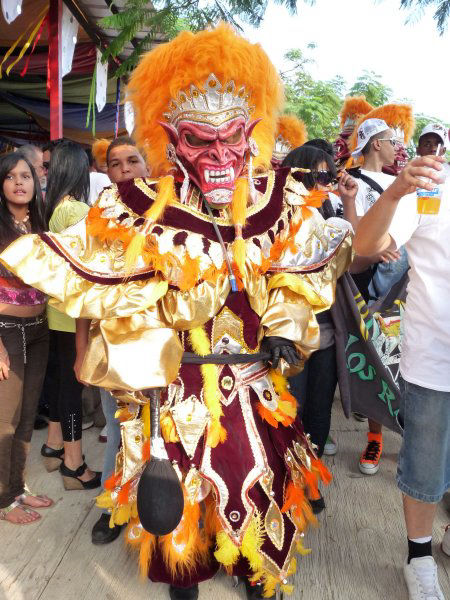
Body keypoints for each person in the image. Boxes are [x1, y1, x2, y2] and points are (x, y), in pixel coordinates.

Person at [1, 25, 352, 600]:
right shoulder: (134, 208)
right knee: (177, 492)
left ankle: (257, 572)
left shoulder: (280, 199)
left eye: (233, 139)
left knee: (255, 481)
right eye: (199, 140)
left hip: (253, 381)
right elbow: (110, 290)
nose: (219, 156)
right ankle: (184, 580)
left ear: (253, 135)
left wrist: (287, 327)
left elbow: (298, 269)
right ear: (170, 138)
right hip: (175, 384)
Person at [354, 154, 449, 600]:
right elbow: (365, 246)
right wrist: (394, 192)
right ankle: (420, 557)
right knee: (426, 463)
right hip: (437, 362)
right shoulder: (433, 187)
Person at [282, 145, 358, 507]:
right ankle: (286, 485)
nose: (321, 183)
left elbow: (353, 257)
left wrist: (348, 203)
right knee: (289, 411)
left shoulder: (328, 211)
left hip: (327, 333)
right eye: (313, 176)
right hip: (291, 337)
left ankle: (309, 481)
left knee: (317, 412)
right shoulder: (274, 216)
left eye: (326, 176)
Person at [87, 137, 148, 545]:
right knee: (117, 426)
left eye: (132, 160)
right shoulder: (97, 218)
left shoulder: (178, 214)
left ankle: (161, 510)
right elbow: (84, 291)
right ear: (106, 172)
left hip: (168, 347)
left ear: (147, 165)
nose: (124, 168)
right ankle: (113, 507)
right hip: (114, 344)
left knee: (167, 430)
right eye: (114, 163)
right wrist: (81, 353)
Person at [347, 116, 411, 476]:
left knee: (408, 367)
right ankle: (375, 438)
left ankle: (414, 442)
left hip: (407, 289)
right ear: (376, 144)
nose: (397, 149)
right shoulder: (351, 183)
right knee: (375, 363)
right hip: (367, 288)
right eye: (391, 142)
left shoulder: (413, 186)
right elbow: (352, 241)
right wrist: (374, 254)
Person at [39, 140, 101, 491]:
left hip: (55, 309)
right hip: (73, 312)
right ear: (79, 170)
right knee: (73, 388)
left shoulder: (51, 207)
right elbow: (88, 267)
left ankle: (53, 445)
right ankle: (75, 465)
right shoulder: (75, 210)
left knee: (61, 382)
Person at [0, 152, 52, 524]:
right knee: (4, 419)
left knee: (27, 415)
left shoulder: (41, 225)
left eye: (26, 176)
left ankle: (16, 488)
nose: (19, 182)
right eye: (10, 176)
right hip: (5, 330)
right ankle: (3, 500)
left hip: (39, 330)